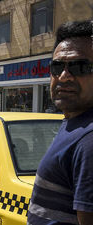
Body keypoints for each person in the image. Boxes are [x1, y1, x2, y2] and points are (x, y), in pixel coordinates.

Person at [27, 20, 93, 225]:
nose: (63, 77)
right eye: (57, 67)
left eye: (79, 67)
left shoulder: (89, 139)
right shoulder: (73, 122)